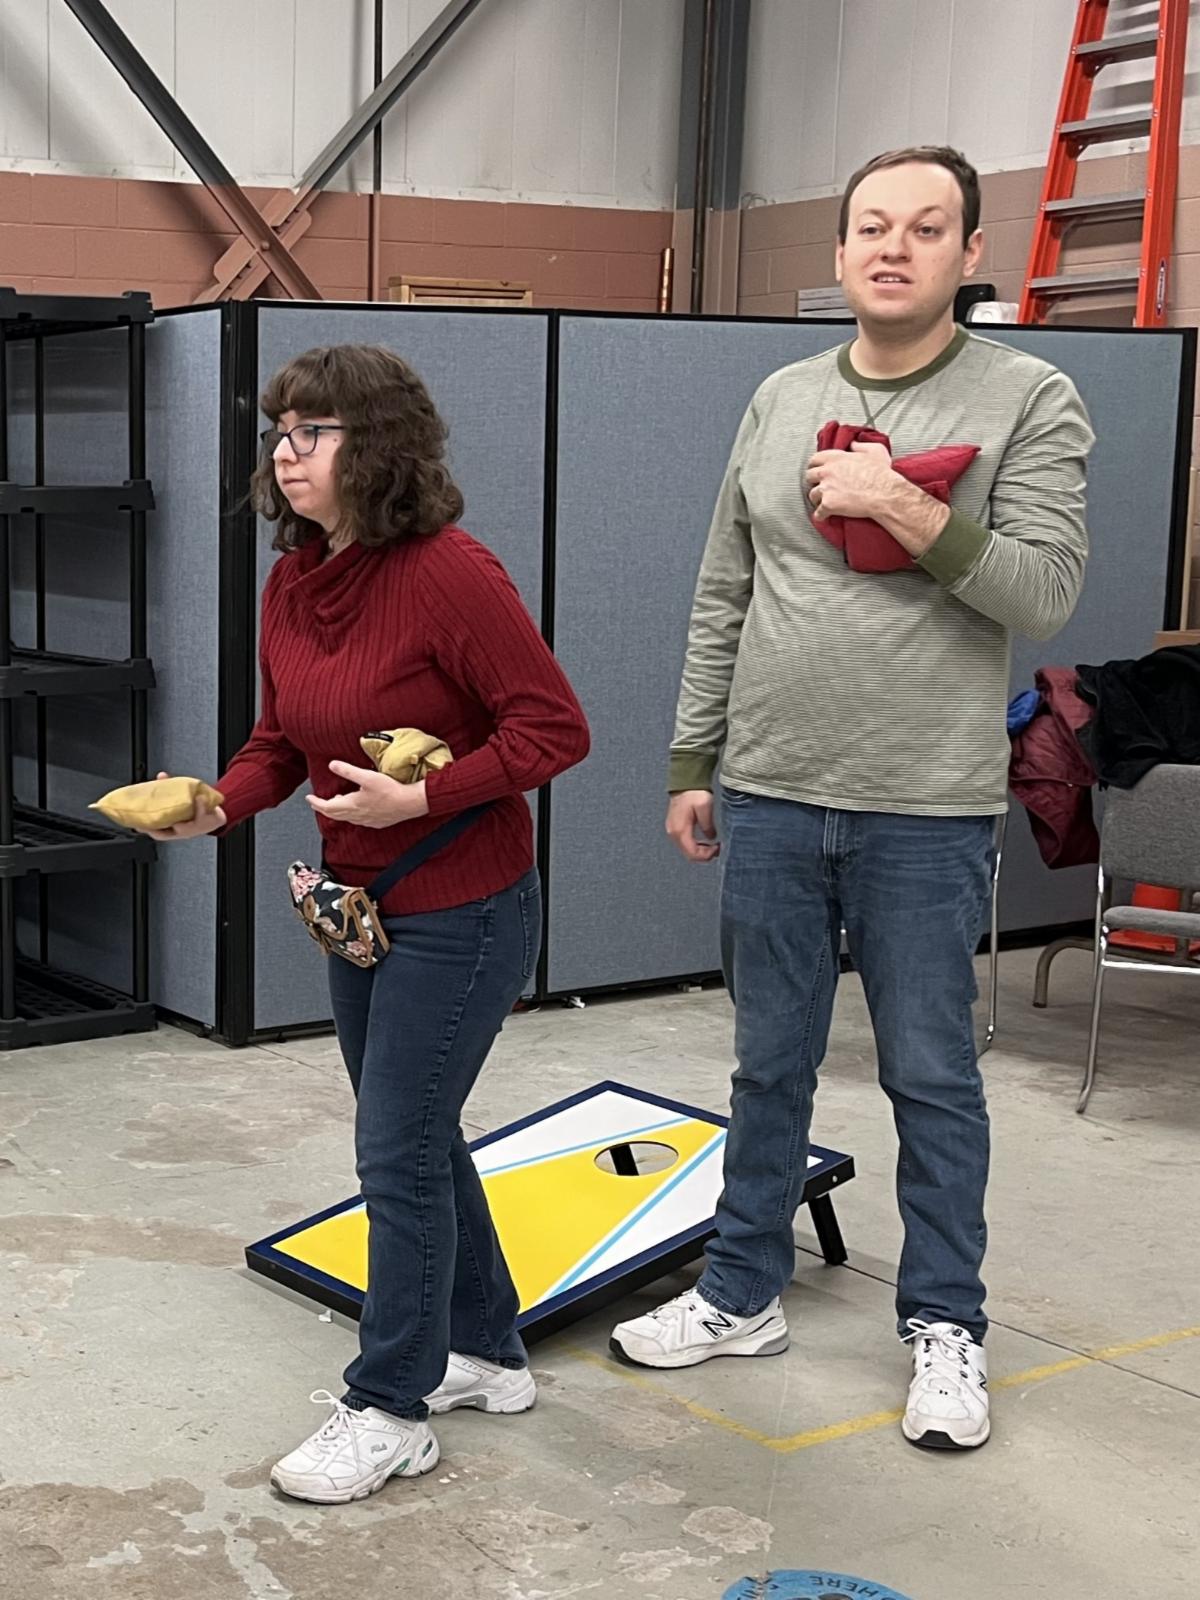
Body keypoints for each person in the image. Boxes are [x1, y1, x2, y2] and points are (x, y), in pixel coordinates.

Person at [610, 146, 1093, 1452]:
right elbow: (726, 590)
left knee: (931, 1076)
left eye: (926, 227)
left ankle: (946, 1325)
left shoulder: (1029, 396)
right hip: (768, 791)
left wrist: (903, 505)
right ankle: (742, 1288)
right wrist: (693, 760)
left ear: (968, 253)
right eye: (870, 226)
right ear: (837, 256)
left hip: (924, 810)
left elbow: (1045, 595)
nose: (894, 246)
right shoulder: (777, 400)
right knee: (767, 1066)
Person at [147, 344, 589, 1502]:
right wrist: (217, 804)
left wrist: (422, 797)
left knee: (393, 1145)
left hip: (469, 906)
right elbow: (280, 740)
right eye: (281, 431)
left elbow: (553, 729)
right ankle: (485, 1353)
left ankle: (392, 1401)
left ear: (380, 445)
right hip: (364, 911)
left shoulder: (452, 573)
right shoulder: (293, 584)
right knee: (419, 1133)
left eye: (318, 431)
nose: (288, 453)